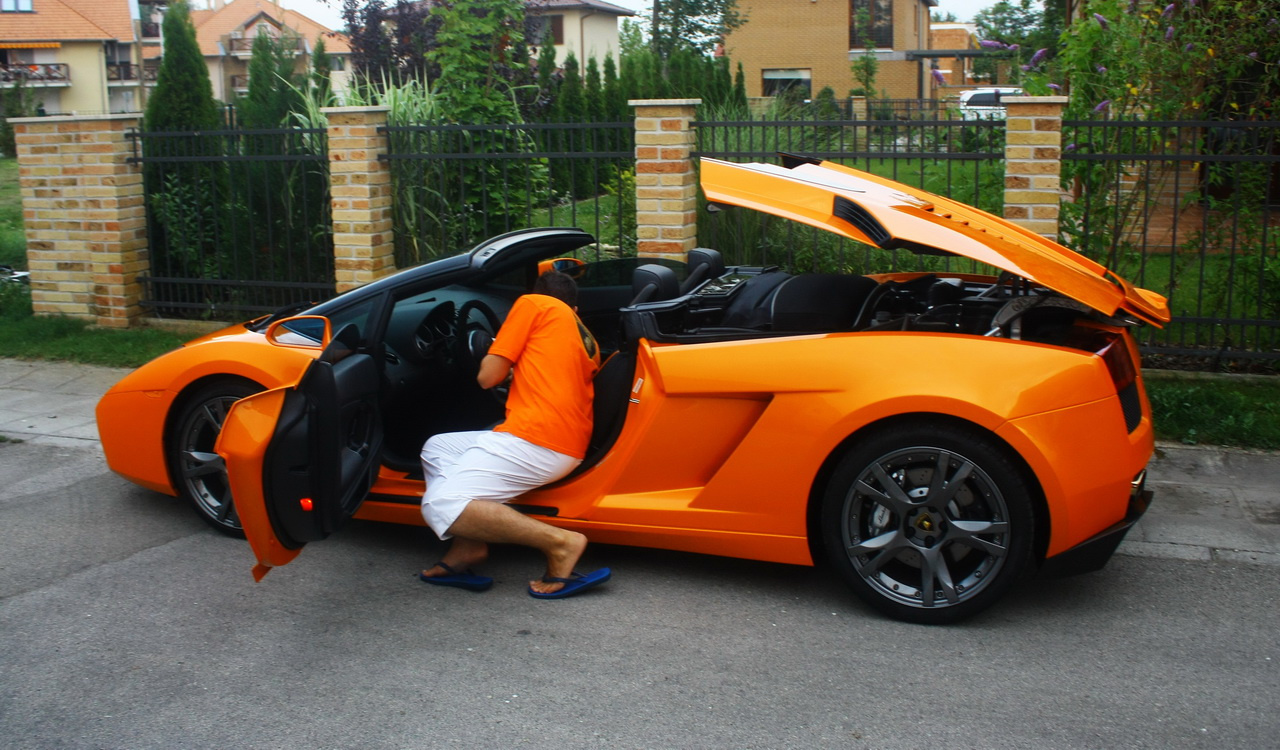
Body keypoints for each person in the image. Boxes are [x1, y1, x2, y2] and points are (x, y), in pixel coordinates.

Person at [417, 269, 610, 598]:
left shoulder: (534, 304)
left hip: (536, 438)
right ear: (575, 309)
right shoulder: (583, 334)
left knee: (440, 504)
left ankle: (561, 544)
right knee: (439, 448)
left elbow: (487, 378)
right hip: (562, 440)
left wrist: (496, 354)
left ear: (536, 292)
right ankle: (468, 548)